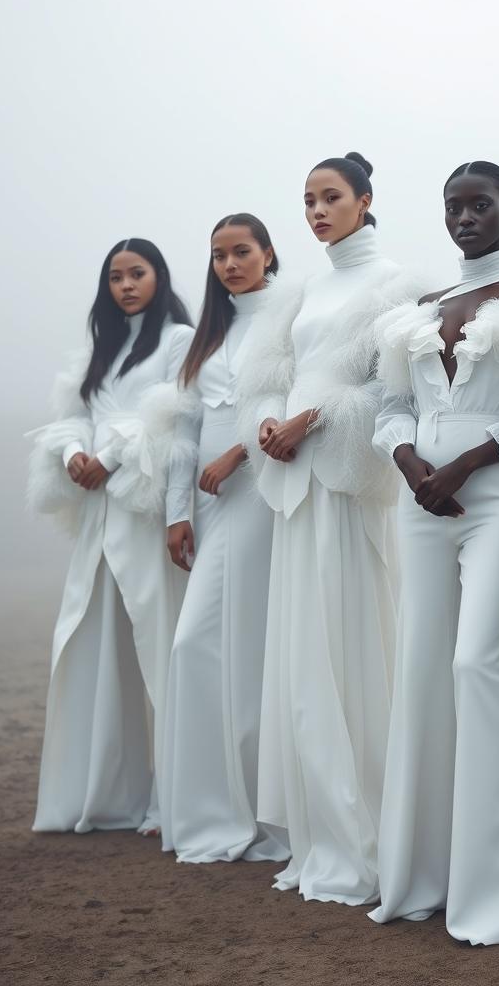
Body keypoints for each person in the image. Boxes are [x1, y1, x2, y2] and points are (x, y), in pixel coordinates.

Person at [368, 162, 499, 944]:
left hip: (494, 499)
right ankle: (425, 875)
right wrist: (412, 466)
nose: (466, 218)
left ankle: (497, 890)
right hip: (419, 504)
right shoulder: (419, 311)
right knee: (424, 672)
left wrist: (462, 464)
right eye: (455, 207)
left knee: (475, 666)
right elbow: (391, 407)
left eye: (480, 205)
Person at [236, 153, 427, 903]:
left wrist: (315, 420)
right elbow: (264, 377)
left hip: (348, 483)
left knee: (354, 643)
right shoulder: (303, 288)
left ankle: (374, 829)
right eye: (308, 200)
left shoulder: (399, 285)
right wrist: (269, 425)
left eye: (330, 198)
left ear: (365, 200)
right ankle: (320, 835)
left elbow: (391, 385)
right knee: (303, 655)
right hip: (294, 486)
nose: (316, 211)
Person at [27, 238, 194, 835]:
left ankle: (176, 797)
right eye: (116, 276)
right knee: (90, 639)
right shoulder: (98, 350)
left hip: (143, 507)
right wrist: (76, 451)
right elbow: (74, 413)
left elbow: (174, 414)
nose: (126, 285)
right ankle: (103, 793)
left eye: (137, 273)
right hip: (98, 512)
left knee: (159, 637)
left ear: (158, 276)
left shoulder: (178, 341)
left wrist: (114, 456)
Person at [159, 214, 290, 863]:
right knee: (212, 648)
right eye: (218, 255)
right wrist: (174, 511)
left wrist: (238, 455)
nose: (230, 264)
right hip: (207, 507)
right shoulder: (205, 335)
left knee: (215, 644)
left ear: (268, 253)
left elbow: (296, 401)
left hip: (259, 495)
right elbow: (182, 429)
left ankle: (256, 815)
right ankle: (211, 807)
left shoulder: (288, 316)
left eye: (242, 251)